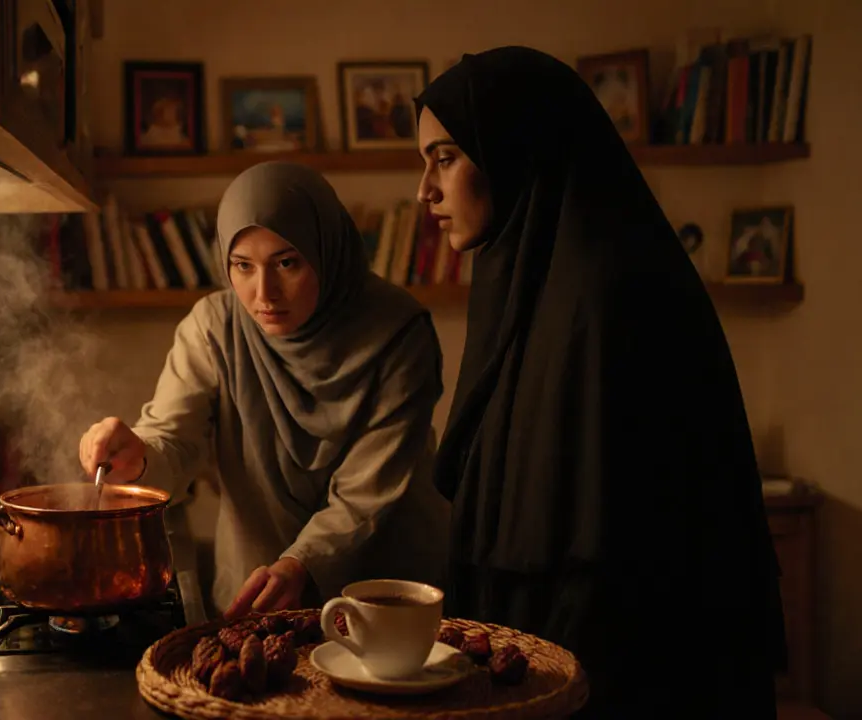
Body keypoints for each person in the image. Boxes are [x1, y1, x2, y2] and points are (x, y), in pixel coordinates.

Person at [412, 46, 786, 718]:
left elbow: (617, 549)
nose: (425, 191)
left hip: (617, 673)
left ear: (516, 148)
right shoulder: (526, 272)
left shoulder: (608, 292)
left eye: (445, 157)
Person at [78, 161, 449, 619]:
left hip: (384, 598)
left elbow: (369, 490)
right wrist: (138, 459)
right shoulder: (215, 327)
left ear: (326, 250)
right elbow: (173, 441)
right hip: (255, 598)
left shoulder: (398, 332)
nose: (264, 293)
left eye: (287, 263)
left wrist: (300, 563)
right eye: (243, 266)